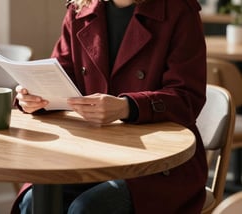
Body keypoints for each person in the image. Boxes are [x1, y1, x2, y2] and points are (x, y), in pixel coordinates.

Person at [12, 0, 208, 213]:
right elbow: (61, 76)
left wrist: (126, 107)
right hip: (88, 152)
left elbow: (187, 97)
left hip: (158, 163)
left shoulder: (178, 9)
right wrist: (35, 98)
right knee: (33, 202)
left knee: (86, 209)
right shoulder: (80, 8)